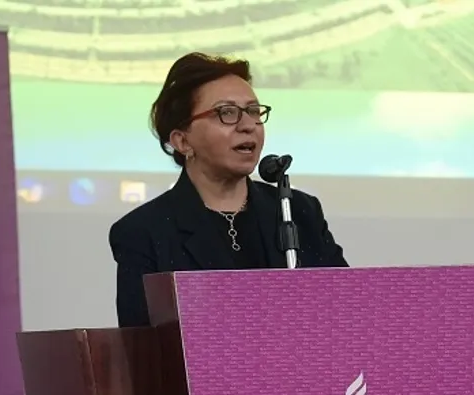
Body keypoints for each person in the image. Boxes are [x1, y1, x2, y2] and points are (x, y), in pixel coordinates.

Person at [109, 52, 349, 328]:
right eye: (226, 113)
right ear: (183, 141)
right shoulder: (144, 232)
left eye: (254, 112)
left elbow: (345, 311)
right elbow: (142, 345)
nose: (248, 126)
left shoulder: (298, 211)